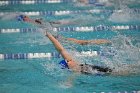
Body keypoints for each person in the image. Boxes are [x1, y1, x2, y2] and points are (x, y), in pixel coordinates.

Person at [45, 31, 112, 75]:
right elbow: (72, 78)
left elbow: (61, 49)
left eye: (67, 61)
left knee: (111, 70)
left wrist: (50, 36)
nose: (69, 61)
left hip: (98, 70)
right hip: (98, 72)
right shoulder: (75, 70)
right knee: (114, 73)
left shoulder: (72, 62)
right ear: (68, 67)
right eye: (68, 63)